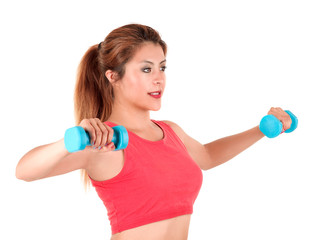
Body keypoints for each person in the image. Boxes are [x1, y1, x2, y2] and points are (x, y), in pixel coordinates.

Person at [16, 24, 292, 240]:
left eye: (162, 68)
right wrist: (71, 140)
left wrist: (261, 130)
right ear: (113, 76)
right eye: (146, 69)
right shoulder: (106, 142)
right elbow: (24, 170)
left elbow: (207, 156)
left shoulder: (170, 132)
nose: (159, 78)